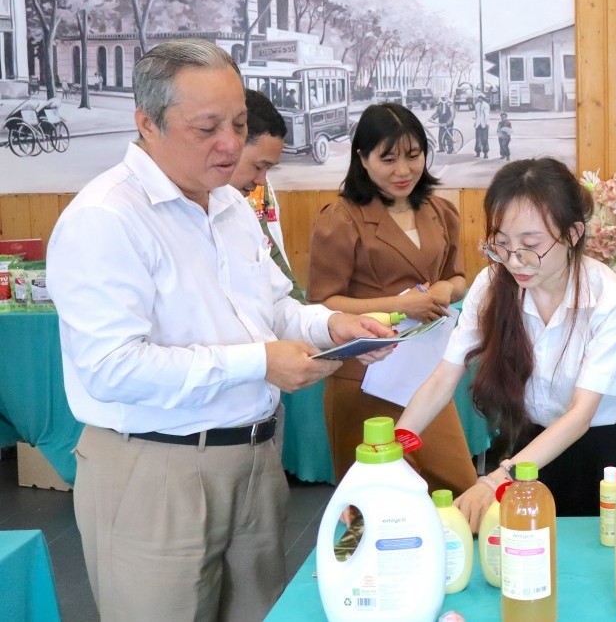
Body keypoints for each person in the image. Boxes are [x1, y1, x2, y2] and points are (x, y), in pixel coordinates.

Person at [45, 39, 394, 622]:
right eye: (207, 127)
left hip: (254, 462)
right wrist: (259, 362)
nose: (230, 144)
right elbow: (112, 368)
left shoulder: (230, 206)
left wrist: (334, 324)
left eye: (237, 122)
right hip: (154, 471)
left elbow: (274, 310)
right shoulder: (105, 218)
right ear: (146, 123)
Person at [397, 157, 616, 529]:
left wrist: (496, 479)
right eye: (502, 245)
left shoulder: (611, 298)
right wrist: (395, 448)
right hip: (530, 446)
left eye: (530, 245)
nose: (515, 261)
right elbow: (442, 380)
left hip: (600, 448)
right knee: (529, 562)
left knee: (601, 561)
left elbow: (580, 416)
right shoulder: (492, 285)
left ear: (573, 234)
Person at [307, 102, 477, 492]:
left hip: (427, 374)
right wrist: (399, 305)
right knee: (367, 503)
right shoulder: (340, 219)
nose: (404, 171)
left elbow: (459, 278)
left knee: (458, 487)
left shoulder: (441, 210)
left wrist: (443, 290)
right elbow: (323, 302)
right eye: (388, 159)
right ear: (362, 159)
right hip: (364, 377)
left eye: (413, 156)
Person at [233, 89, 303, 301]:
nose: (261, 181)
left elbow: (283, 291)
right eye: (258, 166)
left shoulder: (250, 199)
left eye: (268, 170)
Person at [473, 93, 490, 158]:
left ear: (483, 98)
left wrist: (487, 123)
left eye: (480, 98)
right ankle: (478, 152)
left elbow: (487, 115)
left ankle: (485, 153)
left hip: (484, 124)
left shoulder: (486, 105)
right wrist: (475, 122)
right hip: (478, 124)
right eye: (478, 98)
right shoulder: (476, 105)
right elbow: (476, 115)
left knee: (484, 139)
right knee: (478, 139)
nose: (479, 99)